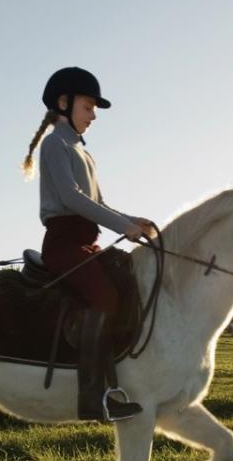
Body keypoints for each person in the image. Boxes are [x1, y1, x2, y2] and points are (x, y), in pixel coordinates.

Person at [21, 66, 154, 422]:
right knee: (104, 296)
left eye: (94, 109)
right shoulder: (55, 143)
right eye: (88, 106)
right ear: (64, 103)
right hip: (63, 244)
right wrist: (123, 226)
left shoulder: (81, 149)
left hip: (85, 242)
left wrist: (134, 221)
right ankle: (92, 399)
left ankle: (115, 385)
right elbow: (71, 198)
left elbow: (99, 203)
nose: (93, 115)